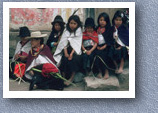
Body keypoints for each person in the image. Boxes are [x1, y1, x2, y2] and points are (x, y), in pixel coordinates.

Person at [53, 15, 83, 86]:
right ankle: (63, 77)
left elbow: (77, 44)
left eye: (74, 23)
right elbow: (63, 43)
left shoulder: (78, 31)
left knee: (75, 59)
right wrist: (66, 53)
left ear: (77, 24)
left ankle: (71, 78)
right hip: (66, 49)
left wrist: (71, 54)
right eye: (71, 23)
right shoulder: (66, 31)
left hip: (75, 51)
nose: (72, 25)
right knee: (63, 58)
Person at [93, 12, 115, 79]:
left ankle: (106, 72)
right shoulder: (96, 29)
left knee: (104, 54)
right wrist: (96, 45)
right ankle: (99, 71)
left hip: (106, 46)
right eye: (101, 20)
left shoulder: (109, 29)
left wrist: (104, 46)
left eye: (104, 20)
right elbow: (93, 38)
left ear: (107, 21)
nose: (102, 22)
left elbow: (111, 40)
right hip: (97, 45)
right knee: (96, 54)